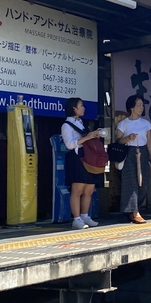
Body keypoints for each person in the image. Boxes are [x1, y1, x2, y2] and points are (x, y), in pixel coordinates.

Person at [61, 96, 106, 229]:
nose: (83, 108)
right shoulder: (66, 125)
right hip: (77, 158)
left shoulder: (81, 123)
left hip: (88, 158)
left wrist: (93, 135)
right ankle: (76, 219)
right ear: (74, 108)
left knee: (89, 189)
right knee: (77, 190)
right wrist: (87, 137)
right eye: (81, 106)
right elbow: (69, 145)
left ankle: (85, 215)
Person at [115, 95, 151, 224]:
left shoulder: (146, 124)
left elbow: (149, 142)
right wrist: (128, 138)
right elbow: (118, 141)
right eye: (139, 105)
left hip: (142, 152)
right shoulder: (123, 124)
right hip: (129, 153)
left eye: (142, 105)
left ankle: (132, 209)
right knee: (131, 183)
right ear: (131, 107)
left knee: (144, 182)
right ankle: (135, 212)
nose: (141, 107)